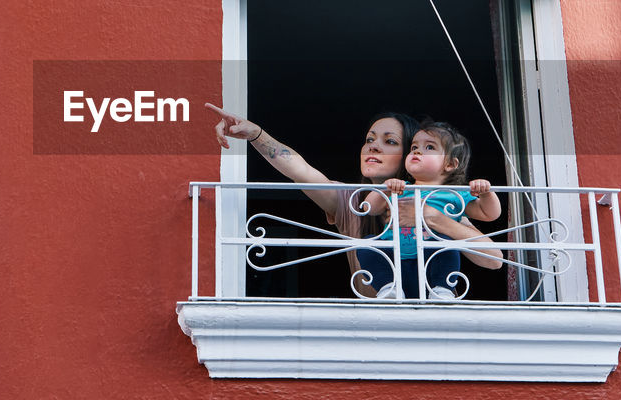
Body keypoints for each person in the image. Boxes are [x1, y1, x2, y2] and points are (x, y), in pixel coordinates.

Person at [206, 104, 495, 299]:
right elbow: (300, 170)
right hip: (376, 322)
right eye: (370, 139)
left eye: (389, 141)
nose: (373, 145)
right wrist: (256, 134)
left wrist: (432, 218)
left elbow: (493, 261)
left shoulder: (439, 198)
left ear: (412, 157)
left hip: (436, 324)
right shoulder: (352, 200)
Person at [363, 119, 504, 300]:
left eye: (429, 147)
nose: (418, 151)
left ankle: (441, 290)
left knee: (445, 243)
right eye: (414, 147)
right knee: (367, 244)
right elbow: (369, 208)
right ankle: (388, 288)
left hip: (431, 262)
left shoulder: (454, 195)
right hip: (395, 260)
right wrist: (385, 187)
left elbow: (489, 214)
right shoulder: (402, 188)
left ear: (450, 164)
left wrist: (486, 193)